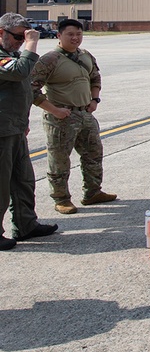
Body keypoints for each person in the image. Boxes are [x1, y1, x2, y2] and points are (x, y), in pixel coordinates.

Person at [31, 18, 116, 214]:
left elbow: (95, 77)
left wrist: (94, 100)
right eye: (70, 34)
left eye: (78, 34)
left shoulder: (85, 56)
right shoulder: (49, 60)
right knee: (59, 159)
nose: (75, 38)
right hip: (61, 117)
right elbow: (31, 89)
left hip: (84, 114)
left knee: (94, 155)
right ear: (59, 35)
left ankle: (93, 192)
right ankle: (61, 198)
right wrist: (54, 110)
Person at [0, 13, 59, 248]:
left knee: (23, 180)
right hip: (2, 132)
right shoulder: (5, 59)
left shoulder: (13, 55)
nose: (20, 43)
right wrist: (33, 43)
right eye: (17, 37)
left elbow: (23, 91)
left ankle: (25, 224)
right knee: (1, 183)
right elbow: (20, 72)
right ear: (1, 32)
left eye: (23, 38)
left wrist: (23, 123)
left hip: (14, 128)